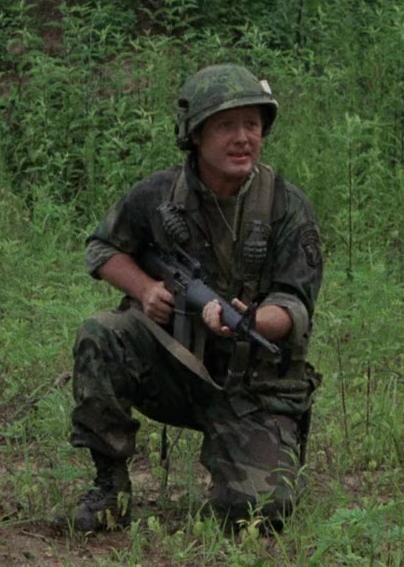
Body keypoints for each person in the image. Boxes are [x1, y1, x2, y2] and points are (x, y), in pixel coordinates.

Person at [63, 64, 324, 534]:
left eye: (252, 125)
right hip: (172, 367)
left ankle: (239, 460)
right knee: (102, 334)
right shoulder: (159, 194)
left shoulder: (286, 206)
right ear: (196, 134)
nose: (243, 138)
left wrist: (253, 320)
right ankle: (109, 487)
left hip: (250, 389)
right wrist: (146, 289)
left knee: (261, 513)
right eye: (226, 126)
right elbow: (102, 249)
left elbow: (295, 305)